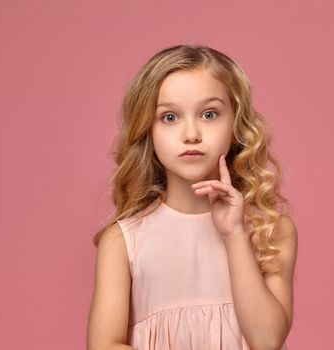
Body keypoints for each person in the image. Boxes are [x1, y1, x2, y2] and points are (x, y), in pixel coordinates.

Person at [87, 44, 298, 350]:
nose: (191, 134)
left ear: (236, 125)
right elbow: (102, 345)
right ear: (148, 131)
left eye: (209, 114)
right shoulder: (123, 241)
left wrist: (235, 234)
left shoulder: (271, 230)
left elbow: (267, 341)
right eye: (170, 117)